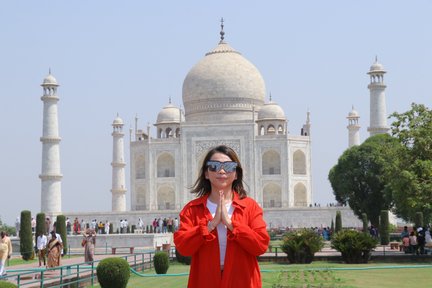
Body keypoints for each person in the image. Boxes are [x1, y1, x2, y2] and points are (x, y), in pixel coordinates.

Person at [174, 145, 269, 288]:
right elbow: (183, 247)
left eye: (229, 166)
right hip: (205, 281)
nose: (222, 171)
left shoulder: (249, 207)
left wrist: (231, 224)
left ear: (236, 174)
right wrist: (210, 225)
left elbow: (260, 246)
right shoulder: (193, 209)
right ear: (206, 173)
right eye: (214, 166)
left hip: (242, 280)